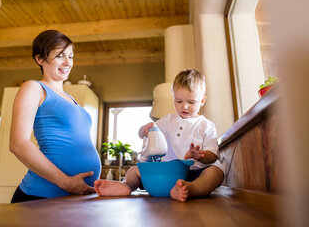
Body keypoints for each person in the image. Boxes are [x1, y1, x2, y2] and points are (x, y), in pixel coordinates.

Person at [94, 69, 224, 202]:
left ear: (202, 100)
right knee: (134, 170)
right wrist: (144, 130)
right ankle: (126, 185)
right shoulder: (166, 121)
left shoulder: (206, 125)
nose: (184, 106)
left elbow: (213, 155)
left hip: (194, 174)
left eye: (191, 102)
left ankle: (190, 189)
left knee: (216, 173)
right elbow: (143, 133)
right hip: (165, 173)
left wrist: (200, 156)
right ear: (174, 98)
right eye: (179, 101)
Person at [10, 30, 101, 203]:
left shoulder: (71, 99)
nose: (68, 62)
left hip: (75, 198)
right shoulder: (34, 87)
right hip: (41, 195)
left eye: (71, 56)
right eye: (60, 56)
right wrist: (66, 182)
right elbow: (18, 144)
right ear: (40, 59)